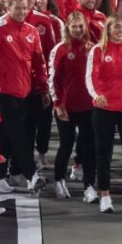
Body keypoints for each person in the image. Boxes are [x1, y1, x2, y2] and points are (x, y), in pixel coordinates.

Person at [0, 0, 48, 192]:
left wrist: (43, 86)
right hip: (2, 92)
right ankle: (32, 175)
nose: (21, 12)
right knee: (17, 134)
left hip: (24, 92)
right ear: (9, 7)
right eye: (17, 8)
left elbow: (39, 61)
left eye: (25, 8)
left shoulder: (31, 31)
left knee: (7, 135)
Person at [85, 14, 122, 213]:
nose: (120, 31)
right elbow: (90, 78)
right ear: (108, 29)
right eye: (117, 27)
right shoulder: (98, 50)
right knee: (104, 154)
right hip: (105, 109)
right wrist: (96, 96)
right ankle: (105, 196)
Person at [49, 12, 97, 201]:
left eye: (81, 26)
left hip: (87, 106)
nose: (78, 29)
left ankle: (89, 186)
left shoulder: (92, 48)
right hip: (66, 107)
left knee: (88, 147)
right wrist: (58, 104)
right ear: (67, 27)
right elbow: (53, 79)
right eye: (74, 26)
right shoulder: (59, 50)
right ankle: (59, 180)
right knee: (66, 145)